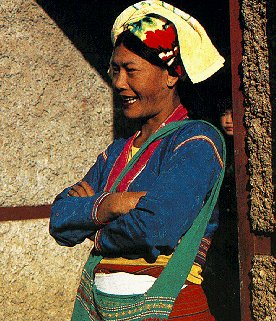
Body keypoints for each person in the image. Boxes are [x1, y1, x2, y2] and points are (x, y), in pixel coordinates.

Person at [49, 1, 226, 320]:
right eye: (115, 69)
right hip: (103, 309)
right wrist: (112, 204)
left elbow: (155, 227)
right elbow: (60, 220)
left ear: (171, 75)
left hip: (170, 308)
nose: (118, 82)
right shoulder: (115, 153)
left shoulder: (196, 142)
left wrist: (92, 226)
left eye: (131, 71)